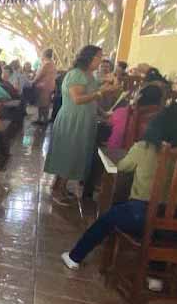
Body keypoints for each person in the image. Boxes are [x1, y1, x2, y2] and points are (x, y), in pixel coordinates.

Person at [61, 103, 177, 290]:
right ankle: (155, 277)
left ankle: (74, 257)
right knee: (159, 232)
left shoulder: (145, 147)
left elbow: (122, 167)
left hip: (141, 216)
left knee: (108, 218)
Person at [44, 45, 121, 205]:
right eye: (98, 57)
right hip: (73, 119)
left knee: (75, 153)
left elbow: (90, 101)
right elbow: (78, 99)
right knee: (69, 153)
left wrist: (102, 113)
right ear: (89, 57)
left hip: (83, 119)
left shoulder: (89, 75)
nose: (100, 60)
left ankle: (60, 186)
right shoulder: (76, 74)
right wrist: (101, 92)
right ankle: (58, 190)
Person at [106, 84, 163, 151]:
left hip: (117, 155)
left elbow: (108, 122)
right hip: (147, 157)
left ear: (139, 97)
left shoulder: (123, 112)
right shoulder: (161, 119)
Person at [32, 48, 58, 124]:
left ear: (44, 54)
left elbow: (39, 75)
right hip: (48, 86)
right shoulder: (51, 63)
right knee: (43, 103)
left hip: (43, 86)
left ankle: (43, 119)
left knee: (43, 103)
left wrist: (33, 82)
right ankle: (41, 119)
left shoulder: (47, 64)